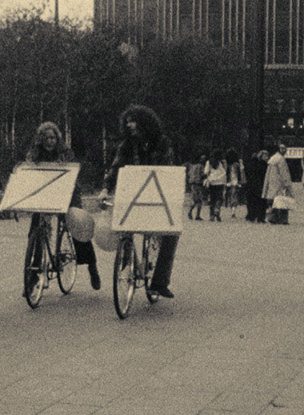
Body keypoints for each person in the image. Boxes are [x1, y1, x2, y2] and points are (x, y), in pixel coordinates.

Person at [103, 104, 179, 299]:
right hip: (132, 196)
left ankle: (160, 282)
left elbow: (167, 169)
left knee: (171, 234)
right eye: (127, 121)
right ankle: (126, 259)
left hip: (156, 196)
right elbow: (116, 166)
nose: (129, 125)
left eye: (133, 121)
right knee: (123, 228)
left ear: (145, 123)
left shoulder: (162, 143)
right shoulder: (127, 145)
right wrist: (105, 188)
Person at [24, 121, 101, 290]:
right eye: (46, 138)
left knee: (77, 226)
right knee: (35, 229)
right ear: (40, 140)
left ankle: (92, 266)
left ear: (57, 139)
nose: (49, 141)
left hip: (68, 192)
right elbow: (28, 172)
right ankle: (33, 273)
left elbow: (73, 171)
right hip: (46, 194)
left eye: (52, 138)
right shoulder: (34, 154)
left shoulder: (65, 152)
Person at [262, 143, 294, 225]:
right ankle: (283, 219)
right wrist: (287, 185)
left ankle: (273, 217)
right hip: (280, 183)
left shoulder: (272, 159)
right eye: (282, 149)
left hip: (272, 183)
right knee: (283, 201)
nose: (283, 150)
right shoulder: (281, 159)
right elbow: (284, 174)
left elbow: (267, 174)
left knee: (274, 201)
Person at [203, 150, 227, 222]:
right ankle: (217, 210)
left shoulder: (209, 162)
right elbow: (225, 172)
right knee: (219, 197)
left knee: (212, 199)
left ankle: (211, 216)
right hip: (220, 182)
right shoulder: (222, 162)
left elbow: (206, 172)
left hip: (211, 182)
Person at [245, 150, 268, 222]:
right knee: (261, 201)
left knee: (253, 201)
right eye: (265, 156)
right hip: (260, 185)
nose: (267, 157)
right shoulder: (263, 165)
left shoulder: (253, 164)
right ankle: (260, 217)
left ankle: (252, 216)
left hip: (252, 185)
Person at [224, 148, 244, 219]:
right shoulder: (237, 164)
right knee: (235, 196)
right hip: (236, 181)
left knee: (230, 196)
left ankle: (231, 209)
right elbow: (241, 172)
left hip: (228, 182)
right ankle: (233, 211)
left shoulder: (226, 164)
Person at [186, 153, 206, 221]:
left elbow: (189, 175)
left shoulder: (192, 166)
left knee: (196, 200)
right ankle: (195, 214)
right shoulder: (201, 166)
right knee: (198, 200)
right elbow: (203, 174)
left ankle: (192, 212)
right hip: (198, 184)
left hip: (192, 184)